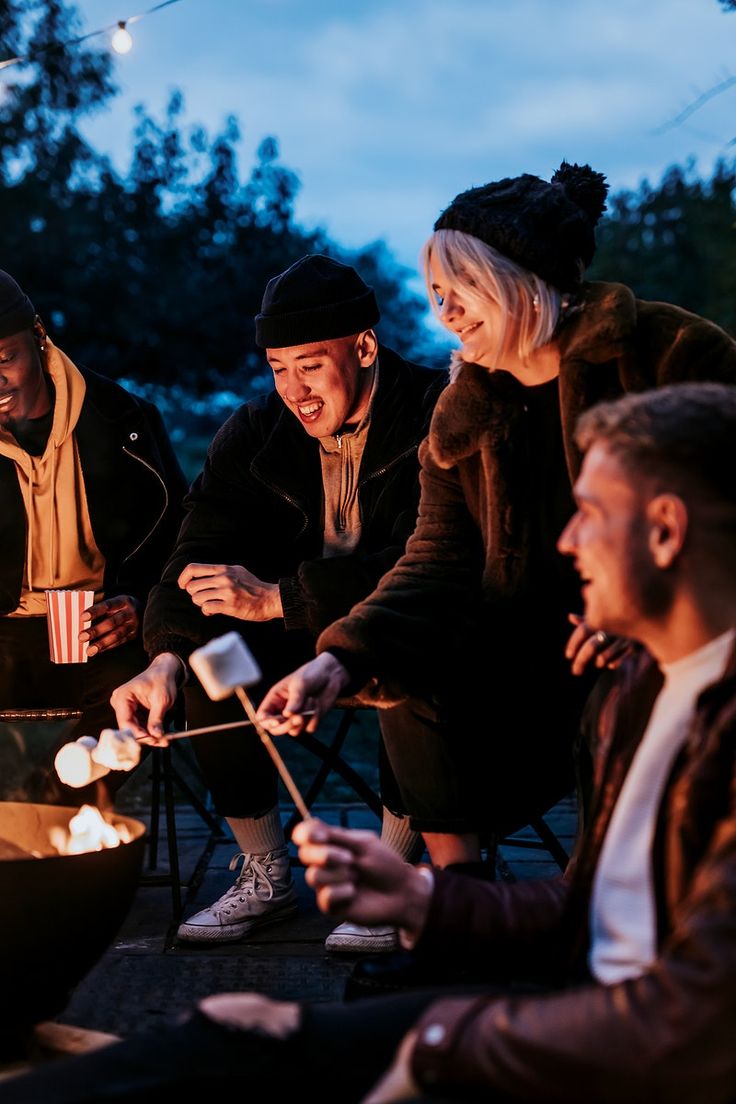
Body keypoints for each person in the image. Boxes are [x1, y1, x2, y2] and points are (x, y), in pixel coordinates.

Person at [4, 379, 736, 1104]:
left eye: (589, 515)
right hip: (569, 1009)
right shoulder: (644, 692)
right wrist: (421, 899)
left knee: (252, 1050)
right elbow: (593, 910)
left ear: (667, 530)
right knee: (238, 1025)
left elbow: (688, 1028)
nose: (567, 540)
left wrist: (435, 1046)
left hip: (600, 1048)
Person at [257, 161, 736, 891]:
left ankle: (608, 901)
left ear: (518, 280)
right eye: (437, 296)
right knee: (407, 680)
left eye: (460, 292)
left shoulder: (665, 354)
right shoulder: (462, 413)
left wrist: (649, 611)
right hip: (523, 648)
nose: (444, 313)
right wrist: (339, 661)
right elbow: (434, 561)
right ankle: (459, 901)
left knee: (631, 689)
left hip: (665, 633)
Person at [109, 254, 447, 952]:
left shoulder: (435, 413)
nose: (294, 389)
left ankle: (389, 876)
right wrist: (165, 656)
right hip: (295, 626)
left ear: (363, 347)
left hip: (399, 618)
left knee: (414, 653)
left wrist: (278, 600)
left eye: (310, 364)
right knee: (211, 661)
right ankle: (265, 872)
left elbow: (432, 565)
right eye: (277, 367)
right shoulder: (256, 431)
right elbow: (192, 549)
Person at [0, 269, 187, 806]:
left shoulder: (121, 419)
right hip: (5, 628)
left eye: (4, 358)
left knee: (146, 689)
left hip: (101, 624)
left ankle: (40, 818)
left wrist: (144, 603)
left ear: (38, 336)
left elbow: (183, 541)